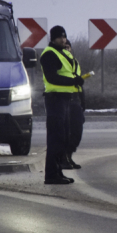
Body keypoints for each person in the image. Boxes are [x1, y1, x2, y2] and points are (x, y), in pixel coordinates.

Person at [39, 25, 84, 185]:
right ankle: (51, 174)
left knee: (63, 138)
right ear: (52, 38)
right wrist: (73, 81)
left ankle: (58, 172)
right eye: (59, 37)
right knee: (55, 138)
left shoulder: (63, 52)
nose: (63, 40)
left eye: (64, 37)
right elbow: (52, 78)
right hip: (55, 99)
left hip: (65, 100)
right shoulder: (49, 54)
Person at [62, 39, 85, 170]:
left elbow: (79, 83)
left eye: (68, 47)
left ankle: (69, 156)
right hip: (64, 99)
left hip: (75, 100)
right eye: (64, 47)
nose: (67, 49)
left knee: (77, 132)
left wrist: (83, 102)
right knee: (65, 132)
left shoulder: (75, 62)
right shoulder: (58, 61)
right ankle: (63, 158)